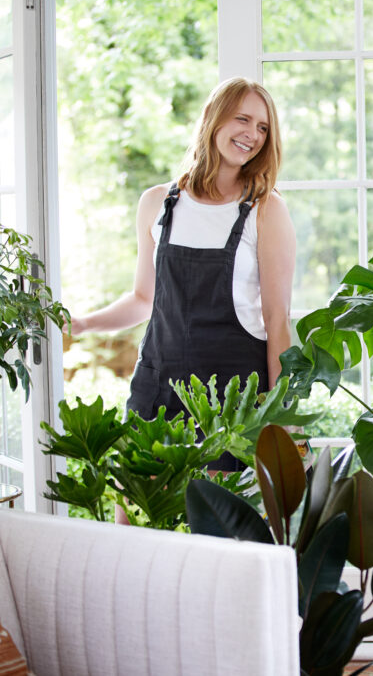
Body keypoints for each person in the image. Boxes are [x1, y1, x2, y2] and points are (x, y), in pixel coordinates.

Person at [69, 77, 294, 471]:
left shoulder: (266, 210)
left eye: (262, 127)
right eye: (242, 119)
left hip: (233, 400)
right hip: (159, 388)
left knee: (214, 527)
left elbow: (277, 321)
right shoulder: (157, 203)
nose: (252, 135)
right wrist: (83, 324)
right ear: (212, 117)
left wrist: (282, 419)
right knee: (137, 517)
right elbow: (143, 299)